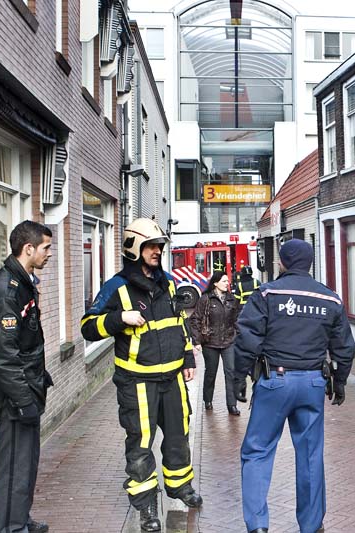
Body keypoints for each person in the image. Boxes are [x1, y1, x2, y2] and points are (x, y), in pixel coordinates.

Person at [80, 218, 203, 532]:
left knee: (178, 437)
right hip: (137, 382)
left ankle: (179, 487)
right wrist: (120, 318)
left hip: (173, 378)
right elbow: (88, 327)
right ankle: (146, 505)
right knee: (141, 445)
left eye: (159, 246)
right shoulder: (117, 287)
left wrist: (187, 356)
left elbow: (180, 325)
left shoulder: (169, 283)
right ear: (134, 248)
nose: (157, 252)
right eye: (151, 246)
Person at [234, 239, 355, 533]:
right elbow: (344, 347)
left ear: (283, 263)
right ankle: (312, 525)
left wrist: (238, 377)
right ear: (310, 263)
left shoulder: (266, 293)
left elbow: (247, 337)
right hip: (313, 383)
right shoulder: (331, 299)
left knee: (258, 451)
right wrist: (339, 382)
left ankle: (258, 526)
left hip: (275, 381)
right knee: (311, 455)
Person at [0, 220, 53, 533]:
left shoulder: (23, 282)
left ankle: (19, 519)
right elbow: (3, 355)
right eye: (45, 248)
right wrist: (23, 400)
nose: (49, 254)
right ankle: (10, 528)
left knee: (26, 465)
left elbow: (24, 342)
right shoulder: (6, 290)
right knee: (14, 466)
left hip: (26, 392)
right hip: (13, 400)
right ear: (28, 248)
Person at [187, 270, 241, 416]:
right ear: (215, 283)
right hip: (210, 342)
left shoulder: (232, 300)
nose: (227, 283)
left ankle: (232, 404)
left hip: (229, 341)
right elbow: (194, 320)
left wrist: (238, 335)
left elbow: (237, 320)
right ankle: (208, 400)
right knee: (211, 373)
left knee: (230, 372)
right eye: (224, 281)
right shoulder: (206, 299)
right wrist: (197, 340)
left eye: (227, 281)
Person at [232, 264, 260, 402]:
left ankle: (244, 376)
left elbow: (236, 302)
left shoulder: (240, 286)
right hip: (257, 314)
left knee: (244, 342)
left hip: (244, 314)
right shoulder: (257, 282)